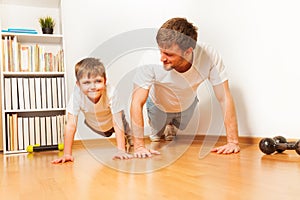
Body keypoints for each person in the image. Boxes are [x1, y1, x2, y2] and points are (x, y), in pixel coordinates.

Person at [130, 17, 240, 158]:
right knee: (157, 136)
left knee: (180, 124)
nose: (162, 58)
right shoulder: (149, 60)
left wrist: (233, 142)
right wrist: (139, 146)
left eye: (168, 54)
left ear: (188, 51)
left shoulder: (209, 55)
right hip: (158, 106)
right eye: (160, 51)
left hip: (186, 106)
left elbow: (224, 97)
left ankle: (171, 125)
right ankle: (159, 128)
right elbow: (136, 101)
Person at [52, 57, 132, 163]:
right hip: (96, 124)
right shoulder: (77, 95)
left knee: (125, 126)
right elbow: (71, 125)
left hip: (113, 120)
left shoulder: (111, 92)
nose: (93, 87)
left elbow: (117, 123)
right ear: (78, 84)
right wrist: (67, 154)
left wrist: (121, 151)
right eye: (86, 83)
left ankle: (130, 139)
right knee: (106, 132)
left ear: (105, 81)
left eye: (98, 81)